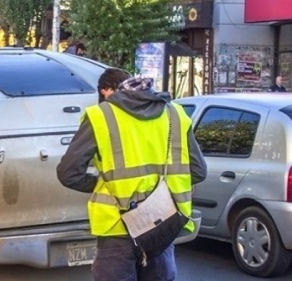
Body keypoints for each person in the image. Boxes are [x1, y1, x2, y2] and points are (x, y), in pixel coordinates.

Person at [57, 68, 207, 281]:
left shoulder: (101, 115)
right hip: (161, 224)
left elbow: (68, 173)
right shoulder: (175, 114)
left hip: (116, 226)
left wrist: (105, 183)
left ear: (107, 93)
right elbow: (199, 171)